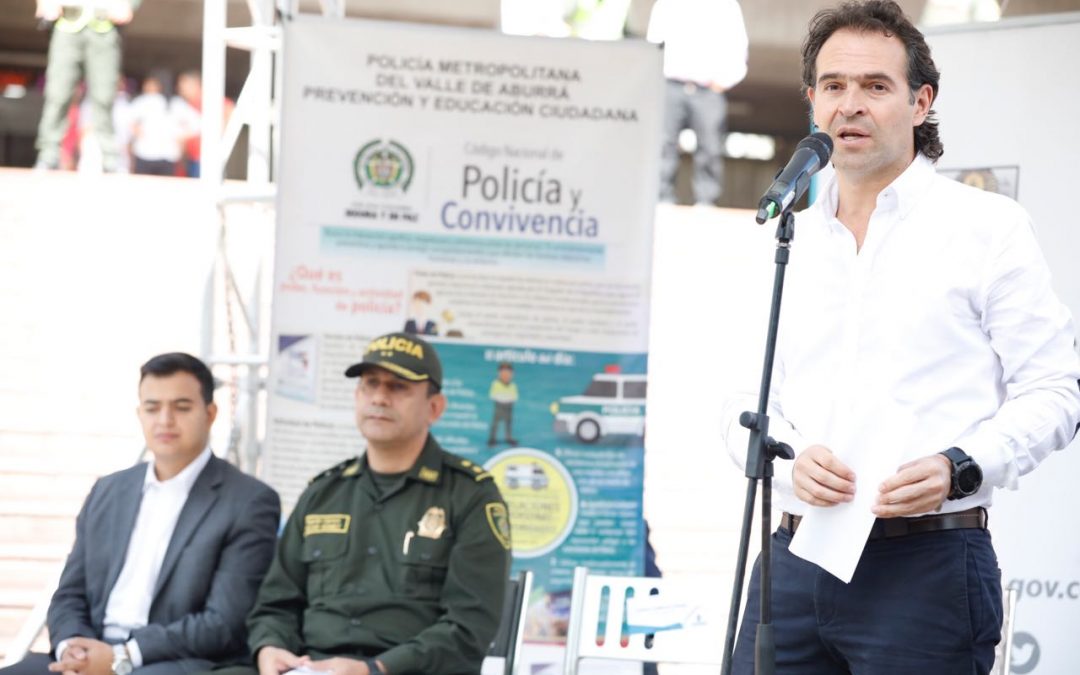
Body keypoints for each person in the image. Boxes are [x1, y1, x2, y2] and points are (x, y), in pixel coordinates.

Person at [721, 2, 1080, 673]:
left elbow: (1057, 391)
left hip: (928, 563)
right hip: (794, 557)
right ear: (812, 101)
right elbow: (739, 399)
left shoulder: (987, 228)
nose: (849, 104)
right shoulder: (787, 237)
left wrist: (959, 464)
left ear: (921, 102)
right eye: (833, 86)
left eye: (874, 86)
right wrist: (791, 458)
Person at [230, 332, 511, 675]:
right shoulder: (322, 493)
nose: (380, 397)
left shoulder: (471, 495)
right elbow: (276, 603)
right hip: (311, 667)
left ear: (434, 407)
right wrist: (271, 647)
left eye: (398, 387)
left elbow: (470, 627)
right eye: (370, 384)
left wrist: (375, 669)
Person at [0, 353, 281, 675]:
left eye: (181, 407)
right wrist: (73, 647)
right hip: (91, 654)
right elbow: (68, 595)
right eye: (152, 407)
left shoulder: (248, 501)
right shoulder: (108, 491)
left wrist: (122, 657)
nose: (164, 419)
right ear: (139, 414)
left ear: (210, 413)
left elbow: (224, 622)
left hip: (173, 662)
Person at [647, 0, 748, 205]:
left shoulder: (727, 6)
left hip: (708, 90)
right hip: (670, 85)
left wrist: (723, 82)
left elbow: (739, 46)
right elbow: (653, 42)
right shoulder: (667, 4)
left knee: (710, 145)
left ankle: (706, 201)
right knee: (664, 143)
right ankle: (661, 198)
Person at [33, 0, 139, 172]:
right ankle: (48, 154)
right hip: (67, 26)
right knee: (58, 94)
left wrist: (129, 4)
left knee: (104, 96)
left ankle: (110, 157)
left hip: (103, 27)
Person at [487, 362, 519, 446]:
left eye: (508, 373)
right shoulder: (495, 384)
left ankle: (508, 438)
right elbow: (492, 395)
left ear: (512, 374)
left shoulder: (513, 385)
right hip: (499, 405)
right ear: (499, 374)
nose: (506, 375)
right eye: (503, 373)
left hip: (509, 406)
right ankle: (492, 439)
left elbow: (515, 396)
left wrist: (509, 399)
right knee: (495, 422)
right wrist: (502, 398)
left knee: (508, 422)